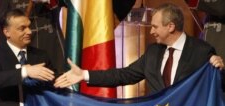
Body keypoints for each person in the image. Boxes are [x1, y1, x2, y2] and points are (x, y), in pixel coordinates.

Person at [53, 3, 224, 95]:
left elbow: (217, 87)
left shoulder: (202, 51)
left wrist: (220, 70)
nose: (151, 31)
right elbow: (124, 74)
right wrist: (84, 74)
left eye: (155, 27)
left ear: (170, 27)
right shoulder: (153, 52)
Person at [0, 0, 66, 74]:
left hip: (50, 42)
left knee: (56, 77)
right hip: (24, 47)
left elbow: (67, 4)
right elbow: (1, 30)